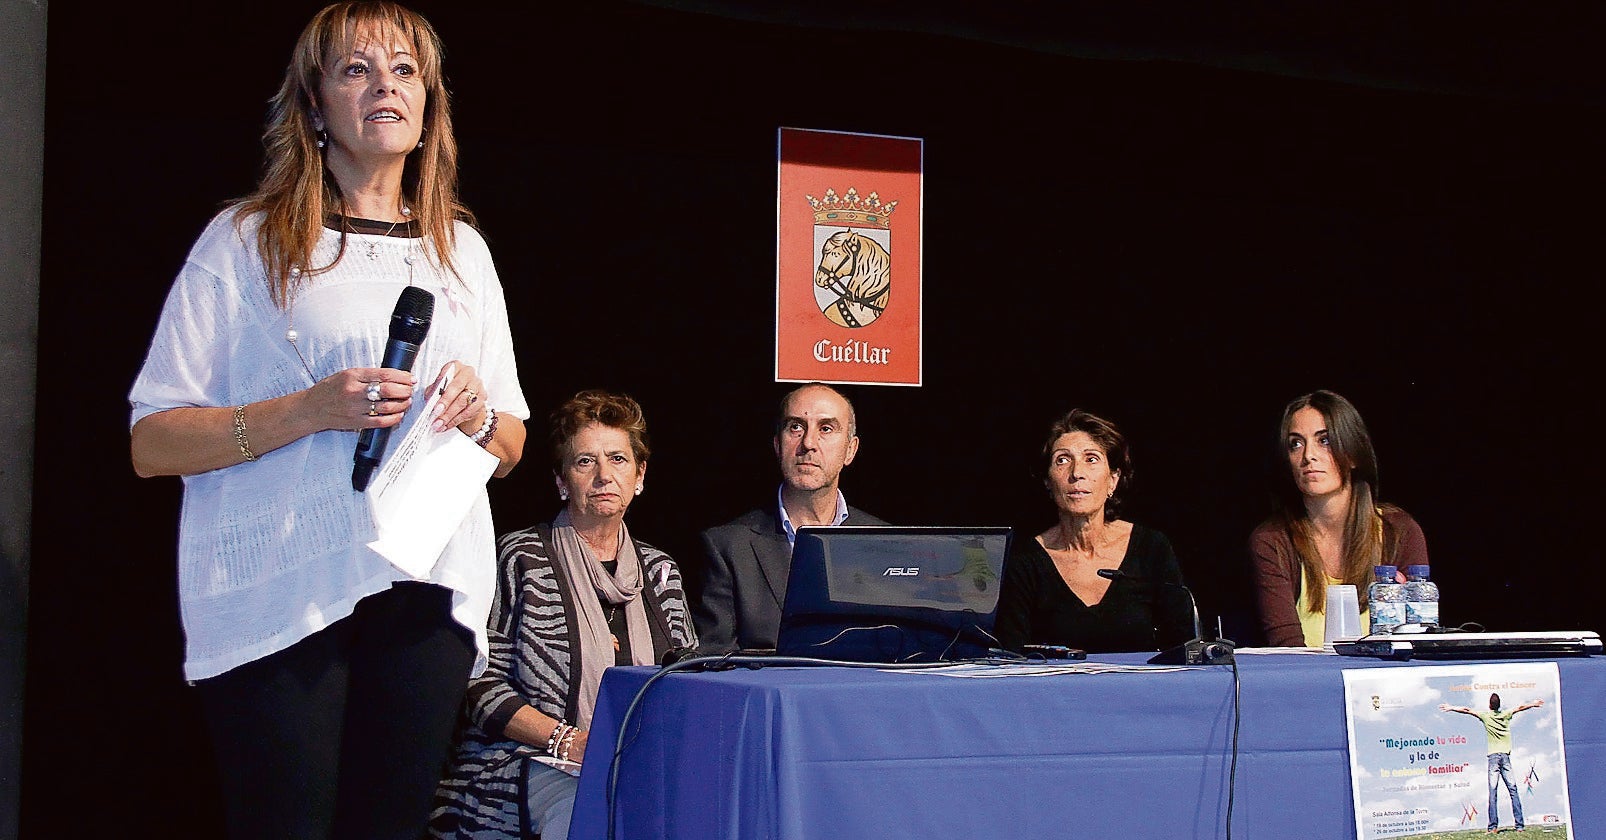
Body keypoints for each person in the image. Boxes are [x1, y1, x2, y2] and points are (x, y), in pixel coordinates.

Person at [127, 4, 528, 837]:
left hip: (422, 590)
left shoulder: (462, 250)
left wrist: (477, 413)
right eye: (356, 68)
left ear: (429, 105)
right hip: (285, 588)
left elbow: (513, 440)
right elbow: (152, 440)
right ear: (312, 108)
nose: (385, 84)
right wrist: (310, 410)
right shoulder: (246, 242)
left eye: (405, 69)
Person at [431, 391, 697, 839]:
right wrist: (566, 741)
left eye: (618, 459)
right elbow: (476, 682)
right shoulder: (521, 558)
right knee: (596, 810)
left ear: (640, 475)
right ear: (561, 480)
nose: (604, 476)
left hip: (639, 761)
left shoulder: (660, 571)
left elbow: (691, 678)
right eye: (584, 462)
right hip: (523, 760)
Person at [694, 383, 888, 653]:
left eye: (826, 429)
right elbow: (715, 663)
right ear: (777, 444)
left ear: (850, 450)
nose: (808, 443)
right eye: (795, 427)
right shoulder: (728, 547)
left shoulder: (885, 543)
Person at [994, 409, 1195, 654]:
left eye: (1091, 459)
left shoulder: (1152, 548)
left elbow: (1184, 649)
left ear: (1113, 479)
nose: (1077, 473)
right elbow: (1011, 658)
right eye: (1062, 460)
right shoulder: (1025, 560)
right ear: (1047, 481)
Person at [1249, 390, 1429, 647]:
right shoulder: (1271, 540)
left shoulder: (1398, 531)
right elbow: (1287, 649)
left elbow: (1417, 640)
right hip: (1309, 683)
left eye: (1324, 440)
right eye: (1296, 444)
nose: (1308, 455)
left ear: (1354, 453)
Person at [1440, 694, 1546, 834]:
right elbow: (1520, 707)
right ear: (1499, 705)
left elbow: (1467, 710)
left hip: (1493, 758)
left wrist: (1451, 707)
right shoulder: (1506, 714)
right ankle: (1519, 826)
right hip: (1506, 757)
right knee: (1513, 790)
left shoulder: (1485, 715)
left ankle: (1493, 827)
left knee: (1493, 791)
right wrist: (1533, 703)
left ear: (1490, 705)